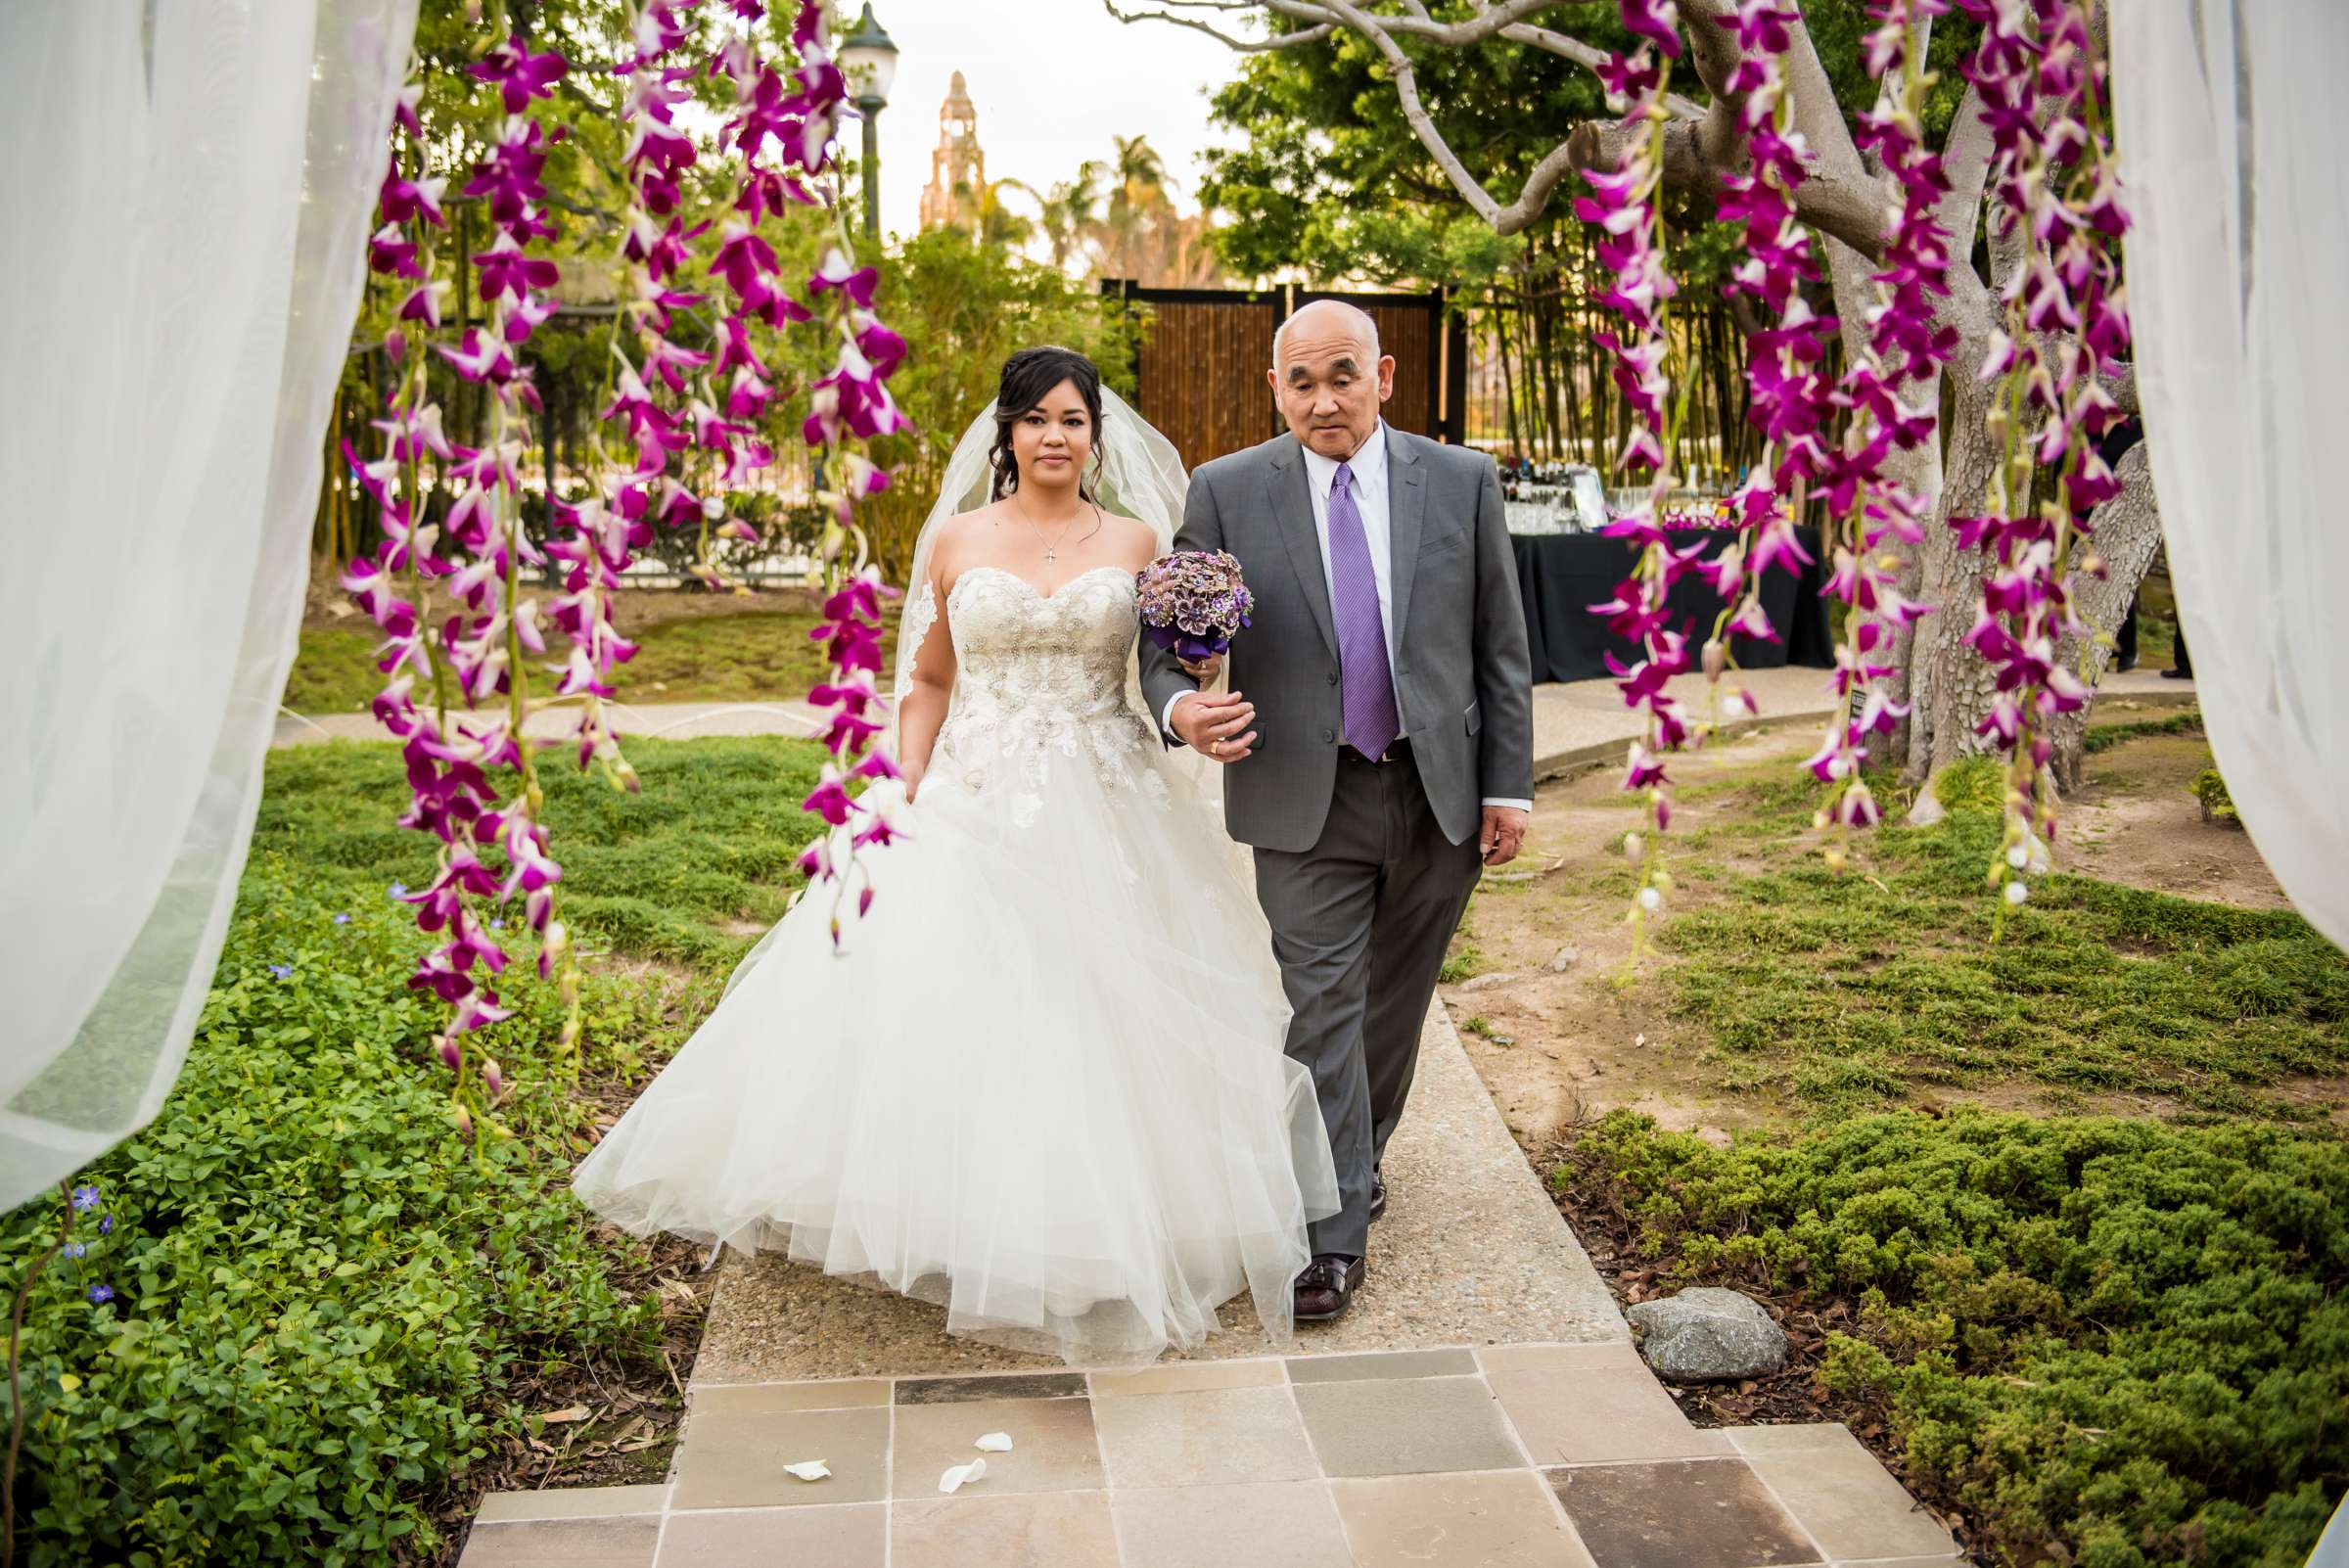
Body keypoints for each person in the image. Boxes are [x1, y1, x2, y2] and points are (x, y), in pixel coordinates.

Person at [573, 346, 1338, 1365]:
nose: (1055, 436)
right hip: (975, 790)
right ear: (1007, 434)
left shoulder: (1143, 538)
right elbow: (929, 679)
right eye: (1036, 419)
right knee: (958, 1007)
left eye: (1074, 418)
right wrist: (907, 779)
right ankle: (953, 1215)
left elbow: (1161, 668)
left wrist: (1199, 669)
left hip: (1108, 795)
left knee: (1101, 1009)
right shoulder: (958, 539)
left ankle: (1098, 1227)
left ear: (1096, 435)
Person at [1140, 300, 1536, 1323]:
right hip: (1299, 798)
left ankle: (1353, 1159)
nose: (1324, 400)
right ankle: (1332, 1234)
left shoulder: (1463, 482)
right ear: (1275, 388)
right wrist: (1185, 699)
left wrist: (1508, 782)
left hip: (1437, 790)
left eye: (1342, 377)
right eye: (1302, 382)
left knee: (1394, 1008)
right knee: (1321, 1009)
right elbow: (1167, 636)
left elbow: (1501, 646)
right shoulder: (1226, 492)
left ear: (1384, 376)